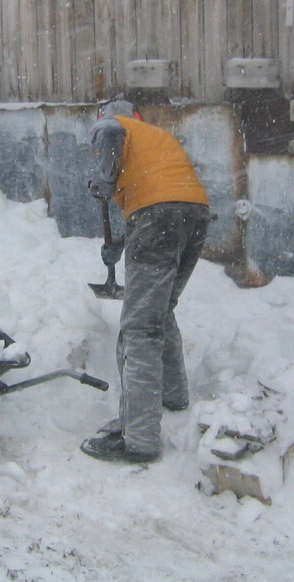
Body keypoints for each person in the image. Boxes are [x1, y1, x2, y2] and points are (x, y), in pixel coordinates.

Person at [81, 98, 210, 463]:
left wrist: (104, 180)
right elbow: (161, 200)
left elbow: (107, 131)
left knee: (139, 329)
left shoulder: (111, 126)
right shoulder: (154, 137)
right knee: (161, 310)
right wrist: (119, 246)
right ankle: (173, 395)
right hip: (194, 216)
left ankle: (138, 439)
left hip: (158, 219)